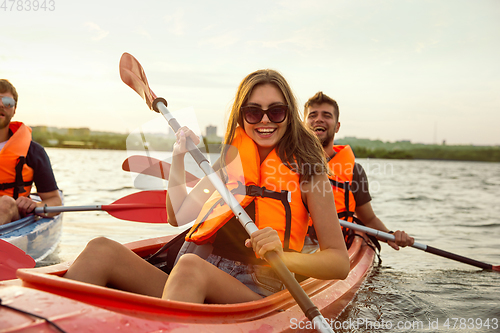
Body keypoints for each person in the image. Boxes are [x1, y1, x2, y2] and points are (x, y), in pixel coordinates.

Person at [64, 69, 349, 304]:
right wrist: (178, 158)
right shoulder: (230, 162)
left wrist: (284, 257)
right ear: (241, 116)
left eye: (276, 112)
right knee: (99, 249)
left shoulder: (310, 171)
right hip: (189, 278)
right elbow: (178, 215)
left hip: (252, 292)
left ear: (289, 115)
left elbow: (339, 263)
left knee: (189, 269)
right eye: (253, 112)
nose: (264, 120)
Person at [303, 91, 413, 250]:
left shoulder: (354, 171)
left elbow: (368, 219)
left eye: (327, 115)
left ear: (337, 126)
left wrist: (390, 235)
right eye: (313, 115)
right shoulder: (285, 164)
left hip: (334, 248)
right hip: (296, 244)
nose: (319, 119)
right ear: (303, 124)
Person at [0, 79, 61, 225]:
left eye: (8, 102)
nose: (1, 105)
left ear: (14, 110)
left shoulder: (33, 151)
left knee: (6, 203)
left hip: (10, 217)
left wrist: (37, 205)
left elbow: (55, 201)